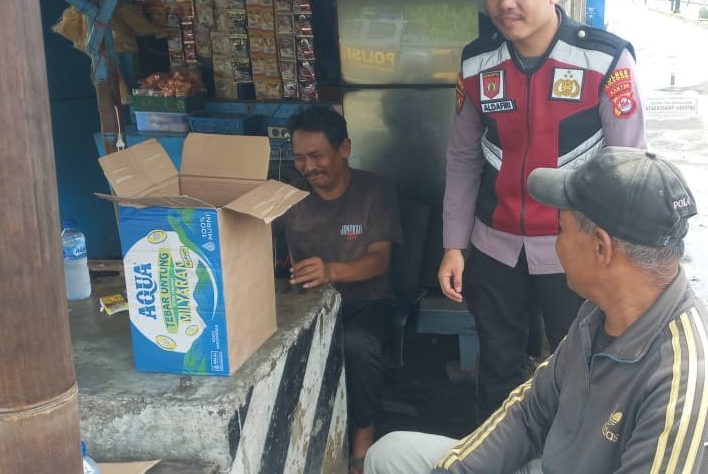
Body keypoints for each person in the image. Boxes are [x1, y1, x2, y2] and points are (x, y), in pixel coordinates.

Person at [366, 146, 708, 473]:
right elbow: (532, 410)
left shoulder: (683, 380)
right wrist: (455, 469)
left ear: (601, 248)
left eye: (560, 229)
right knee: (390, 455)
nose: (555, 244)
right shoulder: (598, 314)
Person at [438, 0, 647, 417]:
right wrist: (453, 246)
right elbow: (463, 158)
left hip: (576, 250)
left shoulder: (605, 60)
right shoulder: (477, 63)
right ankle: (499, 452)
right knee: (498, 368)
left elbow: (629, 170)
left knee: (584, 369)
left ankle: (572, 452)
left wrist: (621, 259)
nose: (504, 2)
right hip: (494, 248)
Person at [282, 105, 402, 474]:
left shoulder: (375, 190)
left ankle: (362, 440)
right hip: (309, 306)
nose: (308, 167)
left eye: (317, 155)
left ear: (344, 148)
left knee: (356, 344)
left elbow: (380, 260)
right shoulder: (288, 198)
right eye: (299, 158)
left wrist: (330, 270)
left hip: (368, 303)